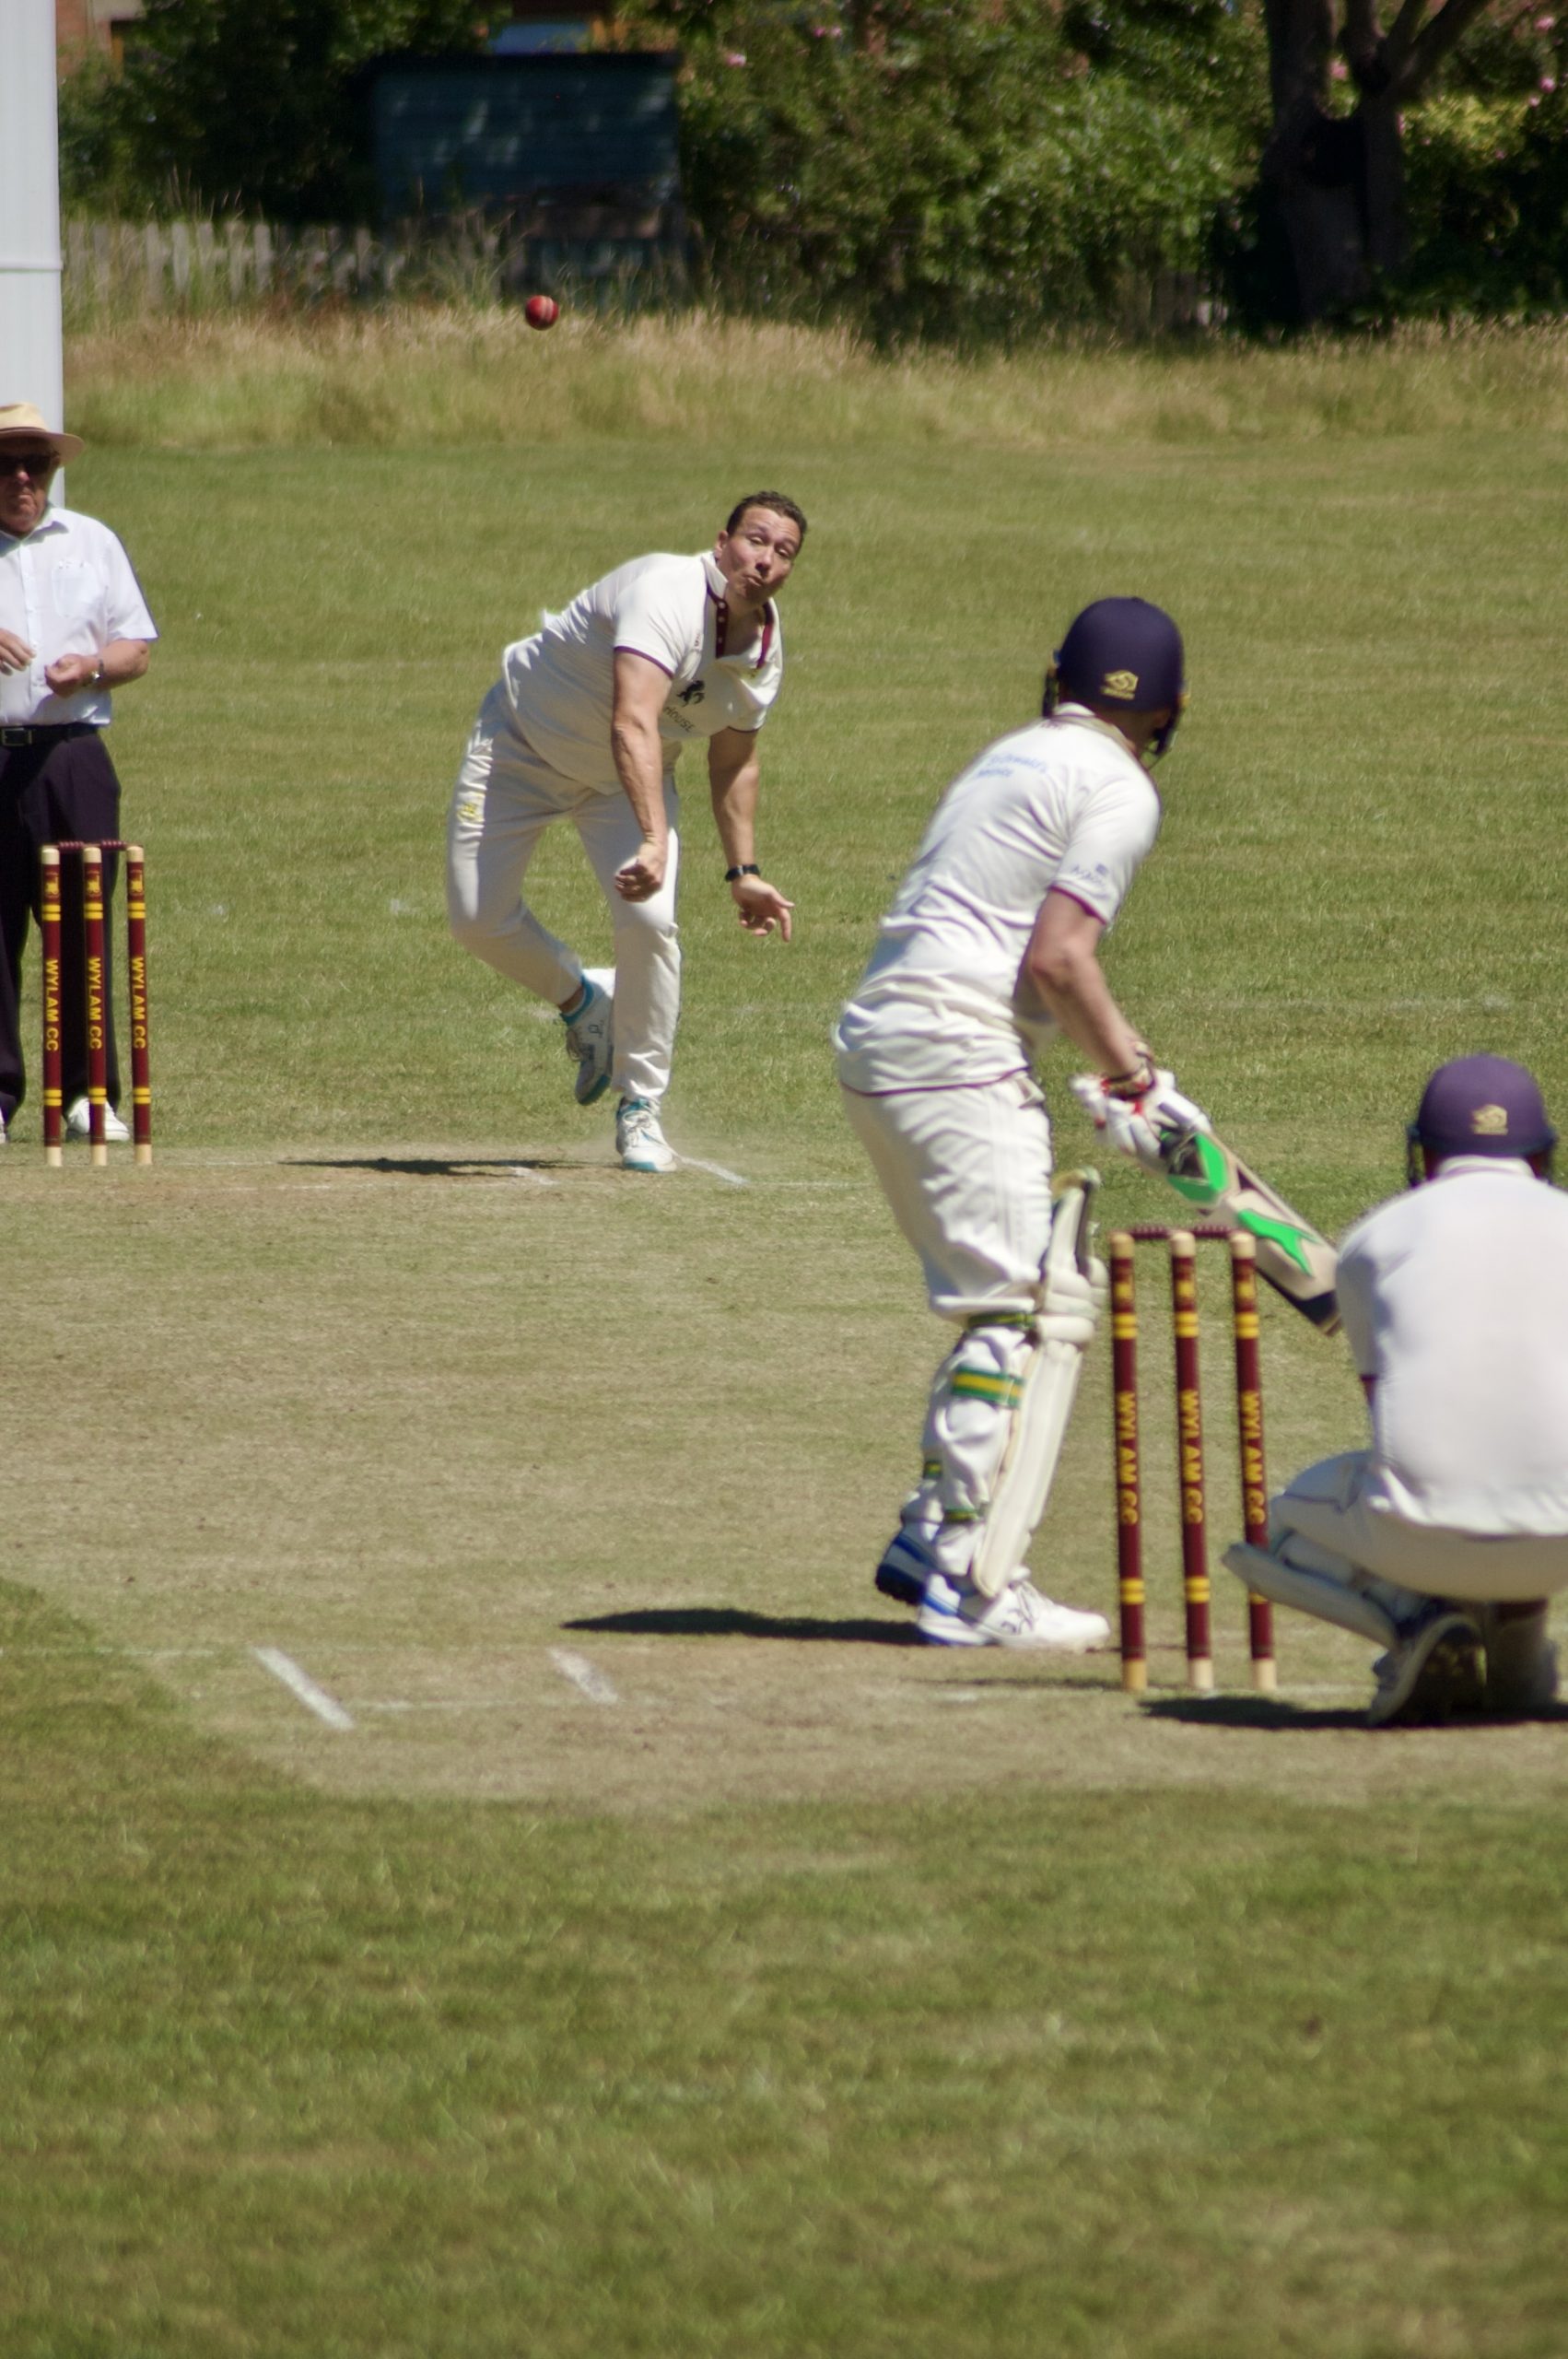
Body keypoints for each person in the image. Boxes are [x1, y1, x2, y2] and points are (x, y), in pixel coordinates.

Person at [835, 597, 1204, 1649]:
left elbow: (1009, 942)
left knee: (1012, 1302)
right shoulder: (1120, 788)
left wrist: (1107, 1078)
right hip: (954, 1048)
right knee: (1020, 1313)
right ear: (1170, 709)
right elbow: (1056, 956)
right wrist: (1136, 1080)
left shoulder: (1010, 756)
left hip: (889, 1035)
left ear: (1059, 680)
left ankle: (927, 1540)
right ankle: (969, 1578)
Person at [446, 495, 803, 1172]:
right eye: (756, 540)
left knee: (651, 921)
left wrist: (743, 872)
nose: (766, 559)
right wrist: (652, 837)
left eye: (784, 552)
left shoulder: (762, 653)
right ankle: (585, 1000)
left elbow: (734, 761)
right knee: (474, 919)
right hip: (520, 745)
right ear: (722, 542)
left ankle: (640, 1106)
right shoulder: (665, 593)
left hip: (621, 781)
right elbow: (631, 720)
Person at [1224, 1054, 1568, 1727]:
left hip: (1421, 1538)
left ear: (1426, 1152)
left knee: (1276, 1530)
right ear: (1540, 1152)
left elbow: (1395, 1410)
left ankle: (1421, 1622)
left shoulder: (1375, 1240)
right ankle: (1521, 1667)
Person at [0, 403, 157, 1146]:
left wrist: (90, 667)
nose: (23, 478)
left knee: (84, 931)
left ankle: (90, 1097)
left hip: (74, 757)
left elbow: (136, 648)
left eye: (37, 464)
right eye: (7, 464)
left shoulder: (92, 542)